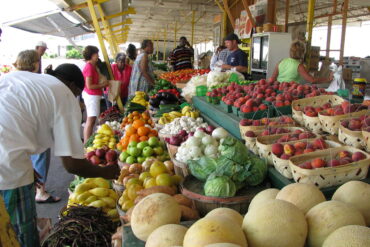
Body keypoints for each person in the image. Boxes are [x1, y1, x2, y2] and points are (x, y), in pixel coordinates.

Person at [0, 50, 120, 246]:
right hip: (7, 168)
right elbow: (72, 165)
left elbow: (10, 121)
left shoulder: (19, 77)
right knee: (20, 233)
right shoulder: (64, 94)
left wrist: (26, 166)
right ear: (73, 86)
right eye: (77, 94)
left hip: (8, 155)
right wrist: (105, 171)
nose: (77, 99)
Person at [268, 40, 333, 84]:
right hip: (291, 92)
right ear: (302, 53)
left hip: (279, 91)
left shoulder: (281, 62)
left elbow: (272, 79)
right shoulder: (299, 66)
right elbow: (312, 80)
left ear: (290, 51)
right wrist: (328, 79)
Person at [81, 45, 109, 143]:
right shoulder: (89, 67)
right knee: (91, 120)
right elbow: (89, 85)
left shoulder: (93, 66)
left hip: (93, 96)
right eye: (96, 54)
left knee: (92, 120)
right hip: (91, 96)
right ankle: (86, 144)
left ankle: (87, 142)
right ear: (92, 55)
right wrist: (103, 85)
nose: (98, 56)